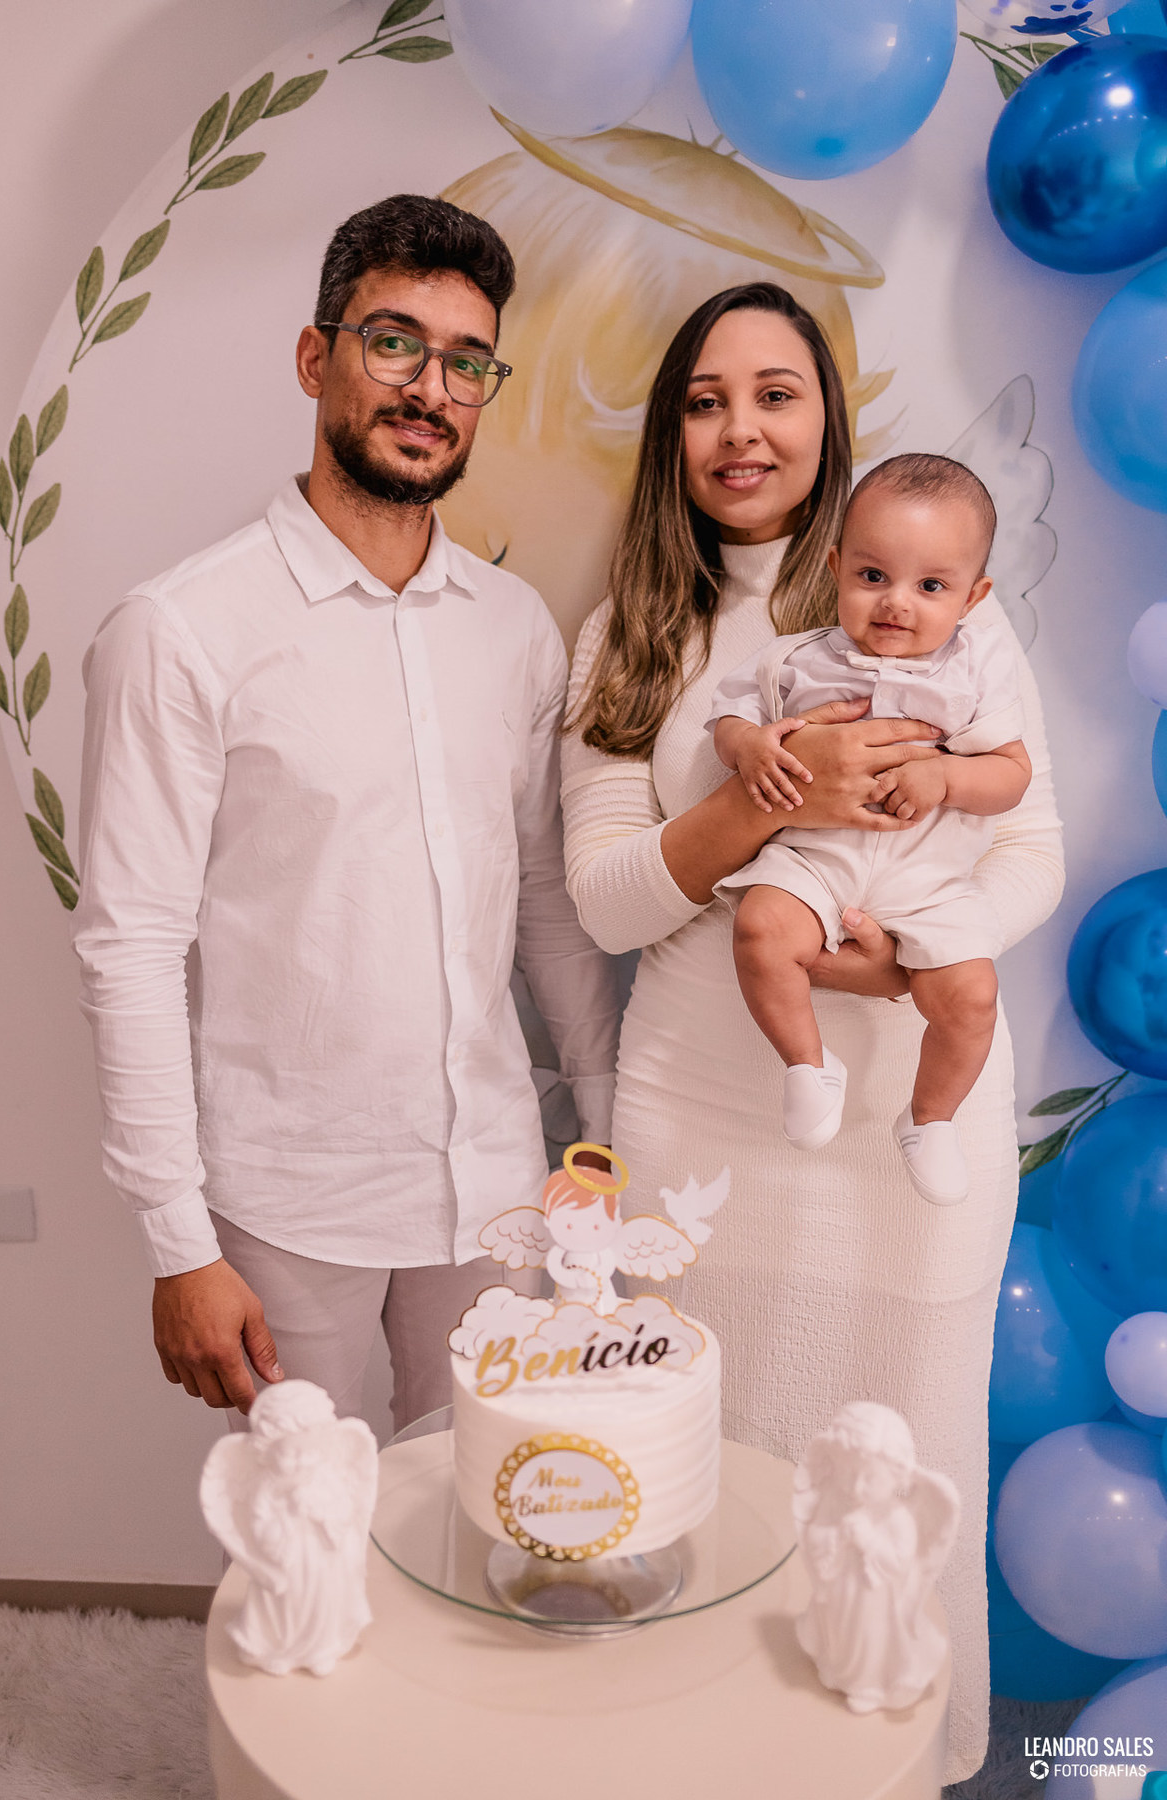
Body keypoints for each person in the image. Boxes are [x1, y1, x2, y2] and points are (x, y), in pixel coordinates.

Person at [561, 280, 1063, 1784]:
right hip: (703, 1128)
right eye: (706, 400)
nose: (741, 429)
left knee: (889, 1474)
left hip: (909, 1126)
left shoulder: (940, 605)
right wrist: (773, 796)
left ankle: (884, 1764)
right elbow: (602, 906)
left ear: (827, 415)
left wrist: (901, 974)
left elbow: (1031, 847)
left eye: (776, 392)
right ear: (671, 436)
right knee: (698, 1472)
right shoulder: (631, 636)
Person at [72, 193, 620, 1433]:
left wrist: (603, 1121)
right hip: (280, 1199)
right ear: (317, 357)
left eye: (466, 362)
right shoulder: (180, 630)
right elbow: (132, 945)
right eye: (393, 343)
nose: (431, 386)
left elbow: (541, 896)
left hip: (492, 1184)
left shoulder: (514, 629)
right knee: (303, 1550)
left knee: (494, 1523)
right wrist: (176, 1243)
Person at [709, 454, 1031, 1204]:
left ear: (973, 596)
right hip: (816, 858)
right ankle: (807, 1063)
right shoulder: (796, 658)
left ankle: (930, 1119)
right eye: (873, 576)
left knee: (972, 996)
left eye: (931, 587)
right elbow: (729, 720)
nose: (896, 604)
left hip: (926, 877)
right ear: (836, 567)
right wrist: (749, 746)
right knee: (760, 929)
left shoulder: (977, 672)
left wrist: (948, 775)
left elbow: (1011, 776)